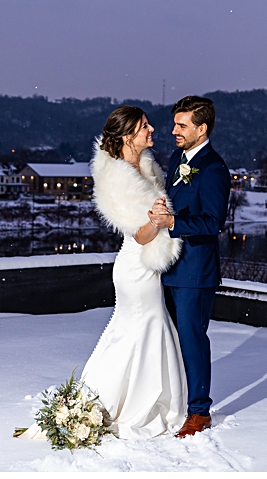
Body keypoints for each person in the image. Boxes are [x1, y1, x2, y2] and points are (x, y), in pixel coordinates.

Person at [76, 106, 188, 439]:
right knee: (141, 329)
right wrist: (156, 220)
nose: (152, 129)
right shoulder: (117, 176)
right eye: (143, 127)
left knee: (135, 332)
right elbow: (139, 234)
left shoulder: (145, 166)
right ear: (126, 136)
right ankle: (119, 405)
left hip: (147, 264)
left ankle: (112, 400)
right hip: (136, 265)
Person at [148, 95, 231, 437]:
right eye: (175, 124)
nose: (174, 131)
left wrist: (172, 221)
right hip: (168, 267)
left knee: (193, 339)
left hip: (195, 272)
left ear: (202, 128)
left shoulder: (213, 168)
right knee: (169, 337)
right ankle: (174, 399)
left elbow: (213, 223)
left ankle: (199, 412)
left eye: (182, 125)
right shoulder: (175, 159)